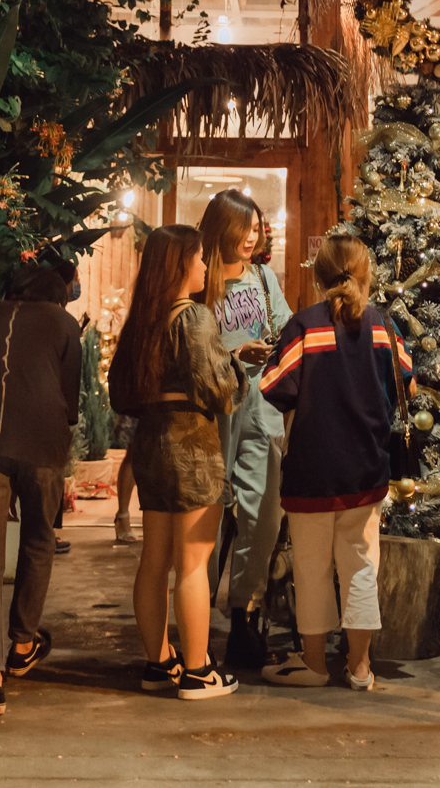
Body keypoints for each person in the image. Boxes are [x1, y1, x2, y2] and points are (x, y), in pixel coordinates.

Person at [256, 234, 412, 690]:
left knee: (311, 570)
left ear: (319, 275)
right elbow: (410, 386)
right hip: (366, 469)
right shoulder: (384, 327)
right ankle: (360, 668)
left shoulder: (304, 327)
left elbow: (274, 386)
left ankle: (315, 666)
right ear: (366, 273)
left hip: (310, 470)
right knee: (361, 567)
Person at [107, 225, 240, 699]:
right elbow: (220, 391)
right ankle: (199, 670)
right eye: (201, 258)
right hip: (192, 446)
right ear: (182, 263)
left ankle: (159, 662)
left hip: (151, 442)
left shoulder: (145, 317)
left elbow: (121, 389)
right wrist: (236, 366)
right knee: (193, 563)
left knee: (154, 560)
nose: (206, 266)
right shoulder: (195, 318)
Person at [0, 258, 82, 715]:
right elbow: (70, 404)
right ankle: (22, 644)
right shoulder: (65, 324)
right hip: (44, 446)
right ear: (56, 294)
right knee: (39, 542)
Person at [197, 191, 293, 669]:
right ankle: (194, 625)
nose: (252, 238)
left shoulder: (263, 276)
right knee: (207, 517)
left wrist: (271, 351)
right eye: (245, 229)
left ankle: (244, 617)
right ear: (223, 229)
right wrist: (233, 358)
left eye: (257, 229)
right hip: (212, 412)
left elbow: (288, 329)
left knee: (263, 515)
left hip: (260, 409)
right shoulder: (199, 281)